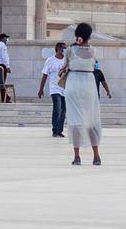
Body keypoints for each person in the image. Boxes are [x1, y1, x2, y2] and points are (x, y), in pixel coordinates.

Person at [61, 23, 102, 165]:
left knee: (75, 119)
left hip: (73, 83)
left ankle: (77, 156)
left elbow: (64, 66)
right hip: (89, 84)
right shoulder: (93, 51)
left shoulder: (70, 50)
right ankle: (96, 156)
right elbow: (95, 65)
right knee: (91, 119)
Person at [38, 41, 67, 137]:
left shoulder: (67, 61)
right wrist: (41, 89)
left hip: (65, 88)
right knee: (57, 107)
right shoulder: (50, 60)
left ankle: (59, 130)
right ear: (58, 48)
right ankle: (55, 130)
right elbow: (45, 75)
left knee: (63, 110)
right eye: (63, 48)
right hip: (54, 88)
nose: (64, 50)